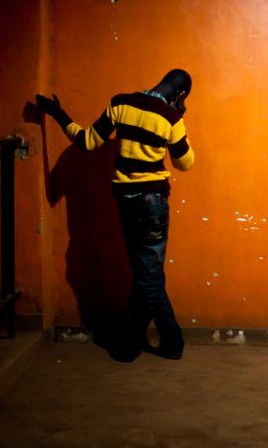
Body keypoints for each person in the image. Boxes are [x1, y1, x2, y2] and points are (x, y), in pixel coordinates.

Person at [36, 69, 195, 361]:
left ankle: (173, 342)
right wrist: (179, 114)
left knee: (147, 274)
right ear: (181, 94)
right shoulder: (171, 119)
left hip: (125, 202)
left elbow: (87, 142)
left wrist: (59, 115)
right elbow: (185, 163)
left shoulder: (121, 103)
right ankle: (130, 344)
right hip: (153, 204)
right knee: (149, 276)